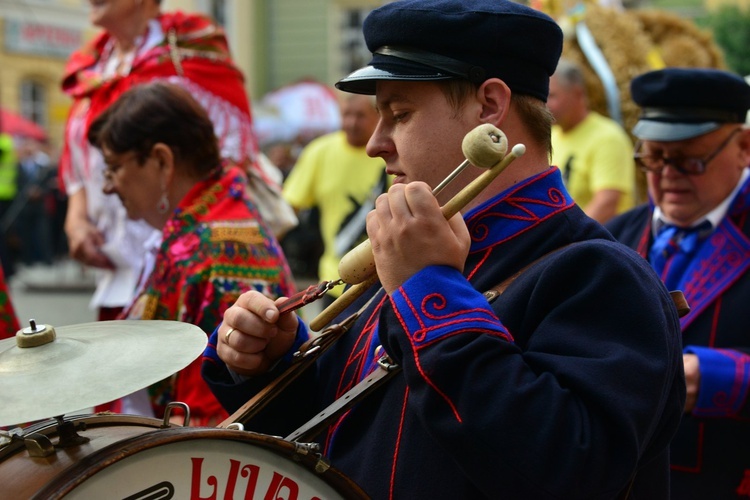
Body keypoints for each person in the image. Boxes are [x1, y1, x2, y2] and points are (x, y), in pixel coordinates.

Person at [202, 0, 685, 497]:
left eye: (400, 113)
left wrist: (430, 291)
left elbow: (565, 468)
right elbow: (348, 435)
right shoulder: (415, 254)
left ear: (489, 108)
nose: (375, 143)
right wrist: (272, 361)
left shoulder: (601, 275)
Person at [60, 0, 285, 322]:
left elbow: (227, 159)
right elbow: (78, 164)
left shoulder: (191, 50)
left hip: (188, 251)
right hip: (119, 267)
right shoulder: (93, 68)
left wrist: (187, 241)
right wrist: (77, 219)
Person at [87, 81, 295, 426]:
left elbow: (209, 422)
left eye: (114, 167)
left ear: (161, 161)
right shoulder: (199, 230)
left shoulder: (217, 251)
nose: (108, 186)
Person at [606, 67, 750, 499]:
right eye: (653, 158)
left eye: (690, 159)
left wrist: (721, 378)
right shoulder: (613, 236)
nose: (667, 174)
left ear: (744, 147)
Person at [281, 93, 386, 305]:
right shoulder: (319, 152)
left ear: (377, 117)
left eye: (360, 115)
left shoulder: (388, 150)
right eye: (346, 115)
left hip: (382, 281)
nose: (351, 123)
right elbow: (287, 209)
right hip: (334, 281)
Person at [548, 58, 636, 223]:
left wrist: (569, 239)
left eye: (552, 95)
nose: (545, 103)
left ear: (578, 94)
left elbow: (607, 203)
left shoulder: (607, 137)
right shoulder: (550, 136)